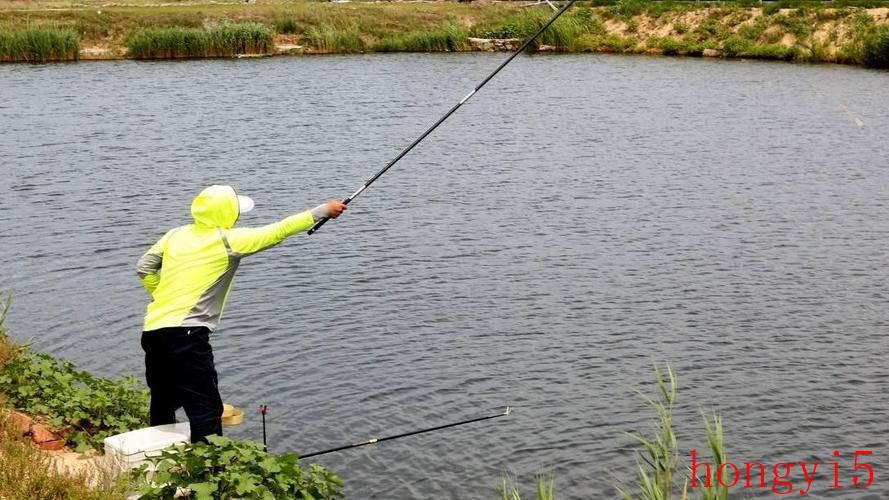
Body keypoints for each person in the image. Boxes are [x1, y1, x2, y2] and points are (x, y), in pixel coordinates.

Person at [136, 185, 346, 443]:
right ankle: (209, 475)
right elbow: (277, 231)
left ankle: (155, 459)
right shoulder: (228, 240)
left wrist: (160, 295)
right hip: (187, 336)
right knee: (206, 410)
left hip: (153, 332)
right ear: (227, 214)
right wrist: (322, 211)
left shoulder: (175, 235)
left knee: (164, 399)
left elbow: (144, 267)